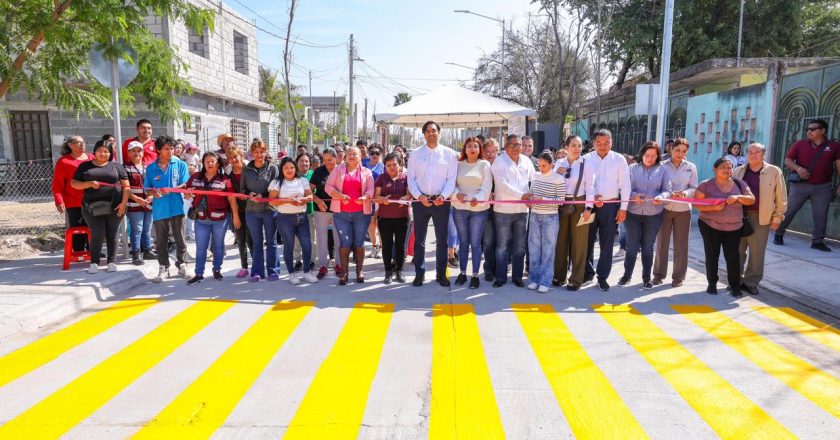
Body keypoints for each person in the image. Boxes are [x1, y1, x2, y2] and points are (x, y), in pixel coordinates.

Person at [407, 121, 459, 287]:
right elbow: (411, 179)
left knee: (442, 240)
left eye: (434, 130)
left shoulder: (449, 154)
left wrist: (443, 196)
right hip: (420, 201)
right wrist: (419, 196)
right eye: (428, 131)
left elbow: (451, 179)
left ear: (439, 133)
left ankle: (441, 274)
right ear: (424, 134)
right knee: (419, 239)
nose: (431, 133)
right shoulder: (415, 154)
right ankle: (419, 274)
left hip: (441, 202)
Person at [775, 119, 840, 251]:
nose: (809, 131)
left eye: (812, 129)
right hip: (800, 185)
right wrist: (798, 169)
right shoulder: (800, 144)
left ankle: (817, 241)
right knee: (790, 210)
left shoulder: (834, 146)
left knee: (821, 214)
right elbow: (787, 160)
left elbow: (839, 165)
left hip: (822, 186)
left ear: (822, 131)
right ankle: (779, 233)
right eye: (807, 129)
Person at [694, 157, 755, 297]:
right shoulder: (706, 185)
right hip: (710, 225)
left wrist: (738, 197)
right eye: (723, 167)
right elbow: (696, 204)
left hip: (734, 228)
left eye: (729, 167)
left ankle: (734, 286)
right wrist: (713, 208)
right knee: (712, 255)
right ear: (715, 170)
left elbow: (751, 200)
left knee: (733, 257)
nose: (726, 170)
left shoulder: (740, 184)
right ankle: (712, 284)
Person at [734, 143, 787, 295]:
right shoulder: (739, 171)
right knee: (737, 250)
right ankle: (735, 280)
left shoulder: (774, 171)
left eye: (757, 152)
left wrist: (778, 216)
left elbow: (781, 196)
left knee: (757, 252)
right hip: (739, 215)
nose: (753, 155)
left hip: (760, 216)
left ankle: (751, 281)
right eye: (750, 152)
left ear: (763, 154)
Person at [71, 140, 129, 273]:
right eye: (100, 151)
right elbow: (74, 183)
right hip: (91, 207)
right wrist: (89, 184)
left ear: (111, 153)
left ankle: (111, 261)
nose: (103, 153)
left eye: (106, 151)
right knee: (97, 233)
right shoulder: (84, 166)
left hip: (115, 206)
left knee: (112, 233)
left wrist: (123, 204)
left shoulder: (117, 167)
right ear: (94, 152)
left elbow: (126, 186)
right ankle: (94, 262)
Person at [617, 141, 670, 289]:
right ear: (642, 154)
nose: (650, 158)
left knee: (647, 247)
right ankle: (626, 276)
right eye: (647, 155)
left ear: (658, 156)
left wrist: (661, 196)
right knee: (632, 246)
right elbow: (623, 188)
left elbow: (667, 190)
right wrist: (634, 196)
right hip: (633, 213)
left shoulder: (663, 170)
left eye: (653, 156)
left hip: (654, 214)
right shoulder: (632, 169)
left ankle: (646, 278)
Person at [584, 129, 631, 291]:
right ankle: (587, 274)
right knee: (587, 241)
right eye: (599, 143)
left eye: (606, 143)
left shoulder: (619, 160)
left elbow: (625, 185)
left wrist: (623, 208)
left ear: (611, 142)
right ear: (593, 143)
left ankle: (602, 277)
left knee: (607, 242)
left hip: (610, 207)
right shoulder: (586, 159)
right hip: (589, 207)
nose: (602, 146)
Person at [184, 152, 241, 285]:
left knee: (218, 245)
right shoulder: (195, 177)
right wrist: (188, 195)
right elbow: (187, 194)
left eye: (213, 161)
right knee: (201, 247)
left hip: (220, 219)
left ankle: (217, 269)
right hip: (201, 219)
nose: (210, 164)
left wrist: (235, 217)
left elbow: (232, 199)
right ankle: (199, 273)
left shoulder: (225, 179)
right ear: (203, 163)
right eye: (207, 161)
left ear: (218, 164)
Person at [326, 146, 375, 285]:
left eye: (355, 154)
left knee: (359, 242)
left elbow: (371, 189)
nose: (351, 156)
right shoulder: (337, 169)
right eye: (349, 154)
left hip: (361, 214)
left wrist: (365, 197)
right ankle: (344, 272)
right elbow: (328, 187)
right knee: (345, 242)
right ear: (345, 156)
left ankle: (359, 271)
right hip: (341, 214)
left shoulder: (367, 172)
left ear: (361, 156)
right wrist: (339, 195)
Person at [491, 134, 535, 288]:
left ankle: (517, 277)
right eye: (513, 145)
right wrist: (521, 195)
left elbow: (533, 180)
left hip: (522, 211)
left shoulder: (527, 161)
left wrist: (531, 196)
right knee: (502, 245)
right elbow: (502, 185)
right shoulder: (499, 161)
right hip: (503, 211)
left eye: (519, 145)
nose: (517, 148)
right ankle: (501, 277)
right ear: (506, 147)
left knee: (520, 246)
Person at [653, 137, 698, 287]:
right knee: (662, 243)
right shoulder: (661, 166)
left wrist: (685, 193)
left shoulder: (691, 167)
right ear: (671, 149)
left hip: (683, 210)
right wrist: (664, 194)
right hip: (664, 209)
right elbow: (656, 186)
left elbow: (694, 188)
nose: (680, 153)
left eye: (684, 151)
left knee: (681, 244)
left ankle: (678, 276)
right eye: (677, 150)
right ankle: (658, 275)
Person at [145, 136, 191, 282]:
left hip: (177, 208)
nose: (170, 151)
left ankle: (182, 264)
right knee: (161, 241)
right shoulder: (151, 168)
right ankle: (164, 267)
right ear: (158, 150)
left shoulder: (180, 164)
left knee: (180, 239)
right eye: (167, 148)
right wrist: (154, 192)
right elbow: (147, 189)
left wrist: (170, 190)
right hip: (159, 210)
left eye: (172, 148)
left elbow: (185, 184)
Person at [553, 136, 594, 291]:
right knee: (561, 241)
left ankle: (576, 279)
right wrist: (557, 173)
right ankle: (559, 276)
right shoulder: (560, 163)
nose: (577, 148)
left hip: (580, 203)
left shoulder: (586, 164)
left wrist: (588, 209)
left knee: (579, 243)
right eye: (573, 145)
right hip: (562, 203)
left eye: (579, 145)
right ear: (567, 146)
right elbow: (554, 183)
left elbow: (590, 187)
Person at [269, 157, 319, 285]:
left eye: (291, 167)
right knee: (289, 246)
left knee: (307, 245)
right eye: (286, 168)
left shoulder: (302, 180)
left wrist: (304, 199)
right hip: (284, 218)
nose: (289, 170)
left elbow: (310, 195)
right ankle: (291, 273)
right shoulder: (276, 182)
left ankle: (307, 272)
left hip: (302, 217)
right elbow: (272, 201)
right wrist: (289, 201)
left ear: (295, 168)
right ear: (281, 169)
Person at [452, 137, 492, 289]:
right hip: (460, 209)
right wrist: (457, 194)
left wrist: (479, 198)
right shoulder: (458, 164)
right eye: (469, 146)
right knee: (463, 242)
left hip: (479, 210)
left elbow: (487, 186)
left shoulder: (484, 164)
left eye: (475, 146)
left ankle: (475, 275)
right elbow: (452, 184)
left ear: (479, 149)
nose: (472, 148)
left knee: (475, 243)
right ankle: (462, 273)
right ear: (465, 149)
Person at [241, 139, 281, 282]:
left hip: (269, 210)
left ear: (265, 152)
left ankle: (273, 271)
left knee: (271, 242)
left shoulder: (273, 168)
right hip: (251, 211)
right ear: (252, 153)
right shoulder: (246, 169)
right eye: (256, 152)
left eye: (261, 152)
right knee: (257, 242)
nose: (259, 155)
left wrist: (263, 196)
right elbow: (243, 189)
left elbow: (276, 189)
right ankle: (257, 272)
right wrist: (249, 194)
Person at [527, 151, 566, 293]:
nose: (541, 168)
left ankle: (545, 281)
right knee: (534, 249)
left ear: (551, 164)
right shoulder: (535, 176)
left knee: (548, 250)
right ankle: (534, 279)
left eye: (544, 166)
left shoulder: (558, 179)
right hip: (535, 215)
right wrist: (530, 201)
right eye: (539, 165)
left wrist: (543, 199)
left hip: (550, 217)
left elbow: (561, 201)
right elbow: (531, 193)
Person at [374, 153, 412, 284]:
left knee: (401, 246)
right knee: (387, 246)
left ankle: (399, 271)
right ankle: (388, 272)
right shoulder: (381, 178)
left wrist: (404, 198)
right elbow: (376, 196)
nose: (392, 167)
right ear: (385, 166)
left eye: (395, 164)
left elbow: (410, 194)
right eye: (388, 165)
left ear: (400, 165)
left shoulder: (406, 178)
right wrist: (382, 199)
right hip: (384, 218)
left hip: (402, 217)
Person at [53, 136, 92, 253]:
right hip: (74, 202)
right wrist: (59, 201)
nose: (82, 144)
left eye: (83, 142)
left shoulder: (92, 158)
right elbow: (57, 184)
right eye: (79, 142)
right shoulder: (64, 161)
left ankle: (93, 249)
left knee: (94, 227)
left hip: (92, 200)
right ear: (70, 145)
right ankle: (79, 251)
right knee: (78, 228)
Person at [310, 147, 342, 279]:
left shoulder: (341, 170)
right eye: (325, 160)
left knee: (338, 238)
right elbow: (309, 191)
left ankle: (339, 264)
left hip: (338, 209)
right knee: (321, 238)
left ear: (336, 158)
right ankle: (323, 265)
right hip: (321, 210)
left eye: (330, 159)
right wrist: (317, 200)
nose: (327, 162)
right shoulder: (318, 171)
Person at [124, 141, 155, 265]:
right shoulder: (124, 167)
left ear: (143, 152)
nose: (137, 153)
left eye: (139, 150)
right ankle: (136, 254)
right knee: (137, 230)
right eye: (133, 151)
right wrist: (136, 199)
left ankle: (148, 251)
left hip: (149, 203)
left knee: (147, 229)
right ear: (129, 153)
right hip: (134, 203)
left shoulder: (149, 167)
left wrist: (152, 196)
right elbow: (123, 187)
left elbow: (154, 184)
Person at [227, 146, 253, 278]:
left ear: (241, 156)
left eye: (235, 156)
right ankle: (244, 267)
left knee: (252, 239)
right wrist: (235, 216)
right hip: (238, 210)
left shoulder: (249, 171)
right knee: (241, 239)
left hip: (252, 210)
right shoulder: (229, 175)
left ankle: (256, 265)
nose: (233, 159)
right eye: (230, 157)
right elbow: (231, 197)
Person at [291, 152, 315, 272]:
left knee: (311, 237)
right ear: (297, 163)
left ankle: (311, 260)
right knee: (296, 238)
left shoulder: (313, 174)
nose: (304, 163)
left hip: (311, 211)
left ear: (309, 163)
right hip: (295, 211)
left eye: (306, 161)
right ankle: (298, 260)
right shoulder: (292, 175)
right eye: (301, 161)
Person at [481, 138, 500, 281]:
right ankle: (488, 268)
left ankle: (498, 269)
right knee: (488, 240)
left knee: (502, 241)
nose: (490, 154)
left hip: (502, 208)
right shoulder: (481, 165)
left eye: (493, 151)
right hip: (486, 208)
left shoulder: (502, 165)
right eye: (487, 151)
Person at [365, 144, 385, 258]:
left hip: (379, 199)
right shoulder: (363, 165)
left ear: (380, 155)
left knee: (380, 224)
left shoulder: (383, 166)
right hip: (367, 199)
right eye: (372, 153)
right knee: (371, 224)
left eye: (377, 153)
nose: (374, 155)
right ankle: (374, 246)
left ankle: (382, 247)